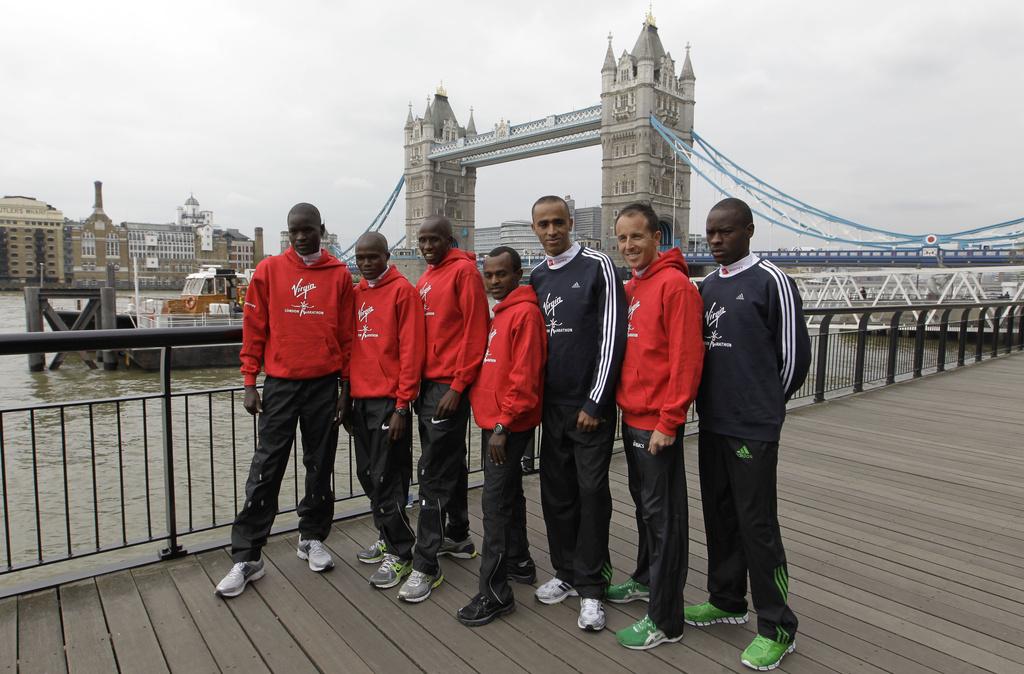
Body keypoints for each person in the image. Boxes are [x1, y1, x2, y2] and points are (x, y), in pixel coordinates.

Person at [685, 198, 810, 671]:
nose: (716, 241)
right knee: (719, 515)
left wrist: (764, 407)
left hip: (752, 427)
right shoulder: (708, 286)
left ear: (749, 231)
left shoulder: (772, 280)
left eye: (727, 232)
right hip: (712, 422)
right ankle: (725, 598)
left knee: (758, 525)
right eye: (711, 233)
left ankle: (778, 626)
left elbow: (795, 358)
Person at [215, 203, 354, 597]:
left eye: (307, 230)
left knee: (319, 463)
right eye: (293, 231)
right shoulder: (269, 271)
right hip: (279, 384)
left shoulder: (339, 274)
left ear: (321, 230)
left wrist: (346, 388)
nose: (300, 237)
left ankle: (311, 537)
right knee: (267, 466)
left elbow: (347, 336)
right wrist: (248, 381)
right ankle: (248, 556)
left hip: (325, 385)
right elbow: (254, 327)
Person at [607, 203, 704, 649]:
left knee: (665, 520)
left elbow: (686, 361)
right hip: (633, 417)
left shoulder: (675, 286)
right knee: (647, 510)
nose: (629, 246)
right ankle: (646, 580)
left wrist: (670, 420)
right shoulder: (632, 288)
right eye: (622, 238)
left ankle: (666, 619)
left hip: (658, 424)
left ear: (656, 237)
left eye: (637, 237)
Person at [528, 195, 626, 631]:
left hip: (589, 409)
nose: (551, 231)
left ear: (570, 222)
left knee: (591, 495)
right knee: (557, 494)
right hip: (551, 407)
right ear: (535, 229)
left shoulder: (598, 266)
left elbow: (612, 335)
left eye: (557, 223)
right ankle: (565, 572)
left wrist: (596, 400)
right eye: (543, 225)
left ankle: (592, 587)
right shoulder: (534, 277)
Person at [398, 215, 489, 603]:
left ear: (450, 239)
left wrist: (458, 384)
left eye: (434, 239)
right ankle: (458, 535)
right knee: (449, 463)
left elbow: (476, 330)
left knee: (431, 474)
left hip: (447, 387)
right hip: (427, 386)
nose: (427, 246)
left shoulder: (464, 273)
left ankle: (426, 564)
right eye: (422, 240)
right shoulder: (427, 277)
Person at [456, 246, 545, 627]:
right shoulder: (501, 313)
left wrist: (502, 426)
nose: (494, 281)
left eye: (501, 274)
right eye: (488, 275)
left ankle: (495, 593)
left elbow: (524, 378)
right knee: (509, 494)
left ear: (518, 273)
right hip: (495, 421)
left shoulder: (524, 314)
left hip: (506, 426)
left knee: (493, 506)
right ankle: (519, 562)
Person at [349, 232, 424, 589]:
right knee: (367, 474)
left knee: (388, 478)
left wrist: (401, 405)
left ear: (386, 256)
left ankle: (402, 553)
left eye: (372, 257)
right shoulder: (357, 293)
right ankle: (387, 532)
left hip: (388, 402)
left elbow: (411, 352)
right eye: (360, 258)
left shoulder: (402, 292)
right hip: (360, 399)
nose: (365, 264)